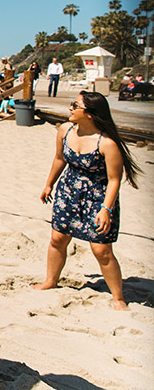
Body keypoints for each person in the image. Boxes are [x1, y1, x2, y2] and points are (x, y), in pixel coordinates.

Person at [35, 92, 142, 311]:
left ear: (90, 114)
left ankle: (118, 298)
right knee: (58, 238)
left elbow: (114, 181)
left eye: (75, 105)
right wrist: (49, 184)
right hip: (68, 191)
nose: (70, 108)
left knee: (101, 250)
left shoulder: (107, 143)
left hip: (97, 197)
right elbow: (59, 159)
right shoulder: (65, 130)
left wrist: (105, 209)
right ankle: (51, 280)